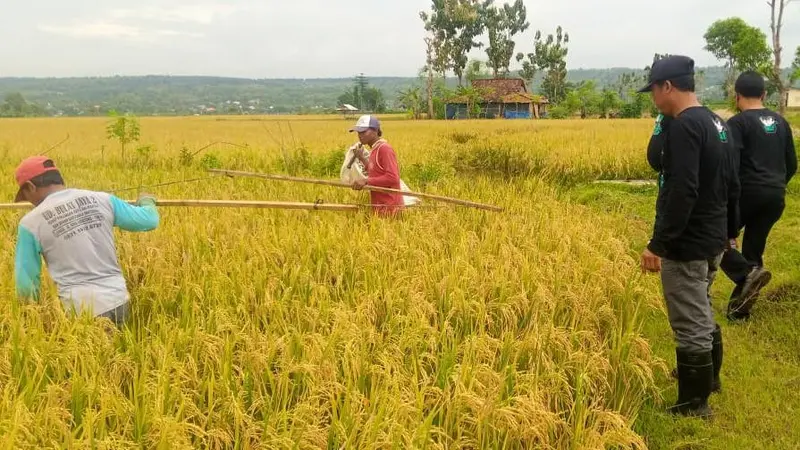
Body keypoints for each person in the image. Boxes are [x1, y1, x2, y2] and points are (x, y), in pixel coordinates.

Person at [638, 55, 739, 418]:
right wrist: (730, 233)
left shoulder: (682, 127)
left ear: (667, 86)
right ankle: (709, 381)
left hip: (689, 242)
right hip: (712, 238)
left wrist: (659, 244)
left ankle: (694, 403)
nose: (652, 98)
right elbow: (731, 184)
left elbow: (682, 190)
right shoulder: (718, 123)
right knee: (703, 308)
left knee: (690, 320)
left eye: (653, 90)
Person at [13, 156, 160, 328]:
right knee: (118, 353)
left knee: (90, 355)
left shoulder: (30, 223)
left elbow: (26, 284)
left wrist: (30, 319)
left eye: (25, 195)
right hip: (118, 300)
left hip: (80, 309)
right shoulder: (103, 199)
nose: (28, 201)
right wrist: (147, 201)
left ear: (30, 186)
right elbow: (149, 220)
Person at [721, 71, 797, 321]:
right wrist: (775, 185)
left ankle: (745, 274)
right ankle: (738, 312)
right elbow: (792, 164)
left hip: (746, 193)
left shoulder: (737, 124)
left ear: (737, 96)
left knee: (716, 238)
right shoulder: (781, 123)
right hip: (775, 196)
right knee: (754, 247)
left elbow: (730, 165)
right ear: (764, 94)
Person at [348, 115, 404, 217]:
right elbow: (375, 171)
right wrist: (362, 158)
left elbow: (393, 178)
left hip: (390, 209)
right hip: (379, 207)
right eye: (359, 132)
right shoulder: (375, 149)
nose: (360, 135)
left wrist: (365, 181)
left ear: (375, 131)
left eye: (364, 132)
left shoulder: (384, 149)